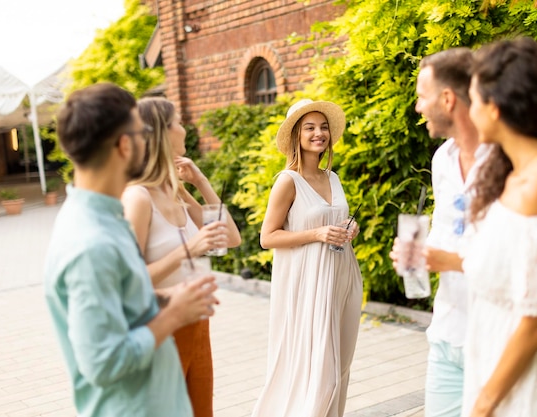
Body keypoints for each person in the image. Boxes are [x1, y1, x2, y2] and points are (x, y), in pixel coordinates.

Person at [427, 37, 537, 416]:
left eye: (475, 101)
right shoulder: (521, 173)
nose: (469, 113)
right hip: (498, 358)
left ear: (496, 107)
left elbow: (536, 321)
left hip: (525, 380)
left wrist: (484, 403)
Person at [44, 83, 219, 417]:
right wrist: (173, 314)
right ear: (125, 145)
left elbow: (116, 300)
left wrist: (168, 298)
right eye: (142, 132)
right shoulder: (91, 243)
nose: (148, 140)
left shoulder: (102, 218)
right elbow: (103, 362)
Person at [121, 96, 241, 417]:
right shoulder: (138, 197)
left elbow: (230, 237)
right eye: (178, 122)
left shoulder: (175, 193)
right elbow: (129, 282)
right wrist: (190, 249)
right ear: (161, 133)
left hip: (198, 328)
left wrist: (199, 182)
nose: (185, 128)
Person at [390, 48, 490, 417]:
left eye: (421, 96)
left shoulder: (508, 159)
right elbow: (450, 231)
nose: (418, 107)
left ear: (447, 99)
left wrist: (449, 259)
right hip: (447, 334)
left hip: (496, 337)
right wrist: (418, 250)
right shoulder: (441, 160)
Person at [251, 99, 363, 417]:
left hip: (342, 276)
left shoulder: (333, 177)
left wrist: (349, 227)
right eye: (310, 128)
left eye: (324, 127)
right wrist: (317, 234)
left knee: (340, 365)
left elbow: (336, 218)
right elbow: (267, 237)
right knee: (320, 372)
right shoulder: (288, 181)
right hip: (308, 283)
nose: (319, 133)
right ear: (297, 136)